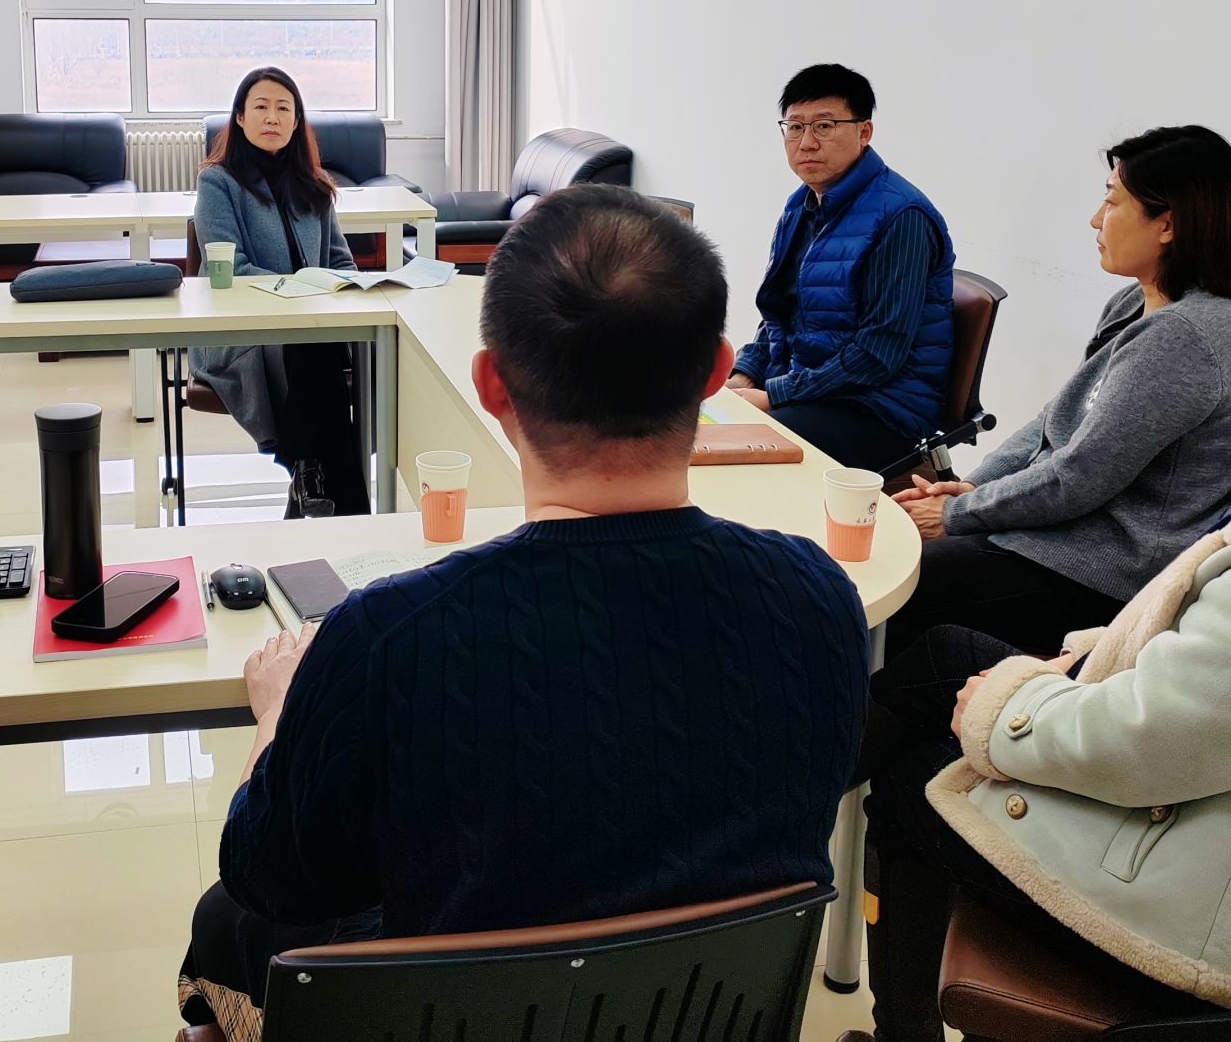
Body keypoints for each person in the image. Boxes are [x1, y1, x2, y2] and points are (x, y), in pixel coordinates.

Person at [178, 185, 870, 1039]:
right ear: (717, 373)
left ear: (490, 385)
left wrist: (279, 716)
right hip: (706, 1018)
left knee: (226, 916)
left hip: (460, 1021)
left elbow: (269, 875)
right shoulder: (819, 598)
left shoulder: (388, 638)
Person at [844, 230, 1231, 1042]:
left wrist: (1002, 709)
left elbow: (1146, 739)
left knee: (917, 784)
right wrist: (1052, 672)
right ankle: (776, 820)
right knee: (948, 656)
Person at [880, 125, 1231, 660]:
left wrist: (955, 515)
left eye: (1112, 201)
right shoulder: (1135, 304)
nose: (1095, 219)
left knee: (896, 581)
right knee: (888, 562)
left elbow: (1079, 476)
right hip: (1062, 536)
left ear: (1168, 224)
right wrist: (969, 488)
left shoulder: (1185, 337)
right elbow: (1052, 423)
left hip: (1102, 574)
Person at [729, 63, 955, 473]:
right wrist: (746, 373)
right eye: (795, 127)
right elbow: (780, 313)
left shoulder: (901, 216)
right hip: (813, 390)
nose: (807, 143)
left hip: (879, 410)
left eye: (825, 126)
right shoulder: (801, 204)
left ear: (864, 132)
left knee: (743, 453)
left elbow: (878, 354)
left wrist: (776, 394)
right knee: (691, 417)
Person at [193, 66, 370, 517]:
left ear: (296, 122)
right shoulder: (218, 182)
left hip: (311, 328)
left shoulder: (316, 187)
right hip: (243, 330)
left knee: (325, 341)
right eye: (261, 107)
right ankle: (333, 491)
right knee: (314, 343)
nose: (272, 117)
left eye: (283, 108)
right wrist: (302, 293)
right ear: (239, 118)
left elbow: (341, 263)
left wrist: (345, 286)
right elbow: (231, 270)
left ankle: (311, 474)